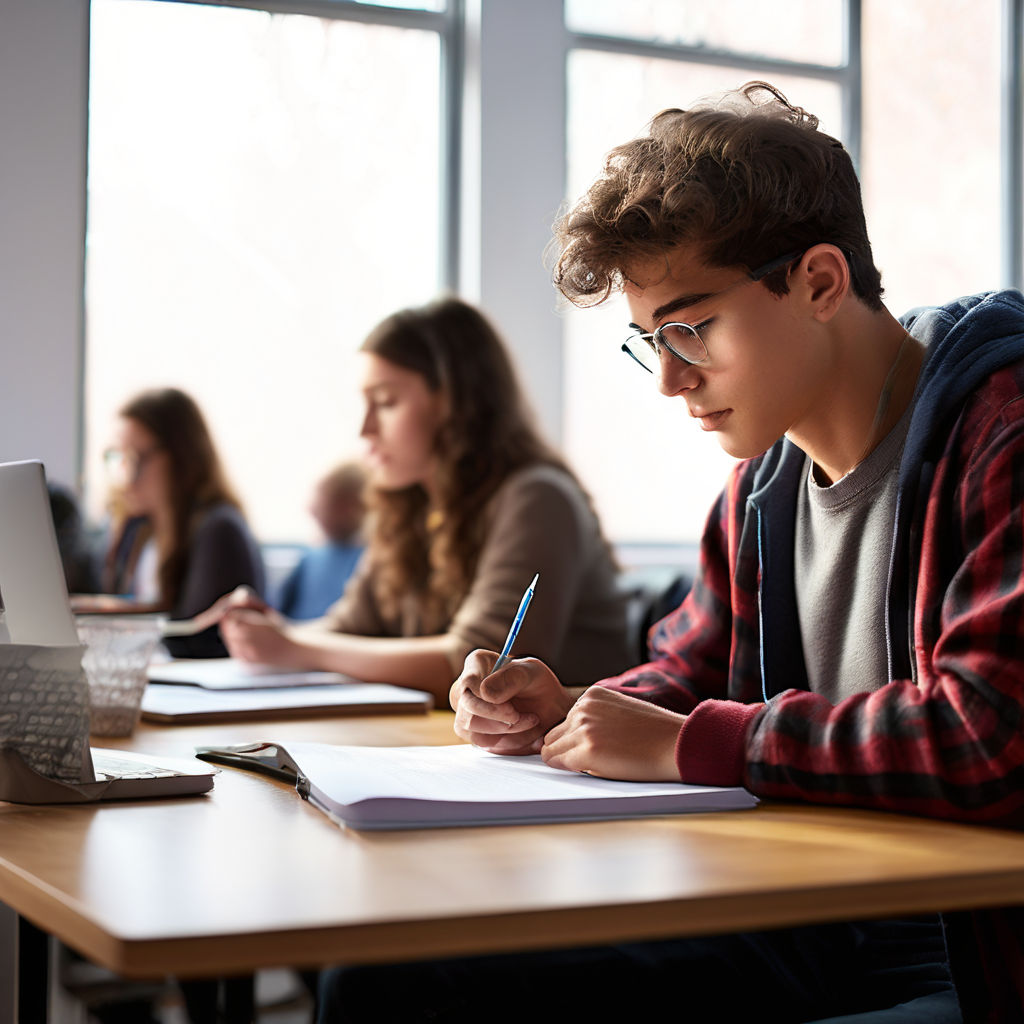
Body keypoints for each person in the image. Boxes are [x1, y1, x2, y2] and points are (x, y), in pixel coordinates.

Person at [321, 82, 1024, 1021]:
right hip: (806, 918)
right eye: (648, 339)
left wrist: (695, 741)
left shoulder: (1002, 430)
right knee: (385, 982)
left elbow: (989, 736)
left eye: (691, 327)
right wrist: (565, 708)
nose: (667, 379)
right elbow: (687, 678)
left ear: (818, 281)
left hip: (978, 958)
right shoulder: (761, 485)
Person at [212, 297, 633, 704]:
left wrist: (295, 648)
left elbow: (480, 669)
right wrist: (272, 631)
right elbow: (350, 630)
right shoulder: (411, 507)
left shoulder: (537, 498)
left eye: (385, 402)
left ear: (456, 403)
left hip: (565, 762)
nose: (365, 428)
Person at [86, 387, 265, 659]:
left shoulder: (219, 530)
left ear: (180, 456)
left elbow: (195, 642)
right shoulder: (137, 531)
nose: (126, 478)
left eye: (134, 459)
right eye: (117, 459)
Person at [275, 461, 368, 621]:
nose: (310, 509)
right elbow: (277, 611)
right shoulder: (311, 556)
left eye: (323, 499)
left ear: (351, 506)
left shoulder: (367, 560)